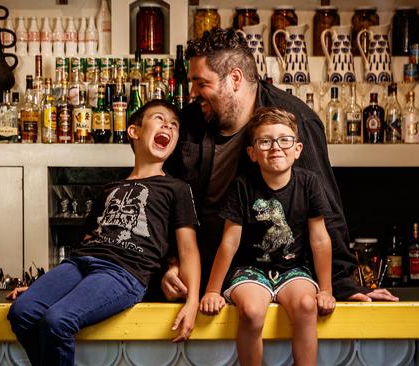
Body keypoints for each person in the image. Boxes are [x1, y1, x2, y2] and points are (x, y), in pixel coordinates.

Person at [162, 27, 397, 302]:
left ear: (235, 78)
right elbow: (167, 202)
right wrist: (170, 265)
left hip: (266, 280)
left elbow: (324, 210)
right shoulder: (188, 123)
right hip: (199, 284)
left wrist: (340, 283)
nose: (193, 92)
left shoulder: (296, 121)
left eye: (201, 83)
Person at [6, 100, 201, 366]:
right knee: (23, 311)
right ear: (134, 132)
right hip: (80, 263)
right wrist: (43, 288)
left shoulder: (176, 188)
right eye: (159, 118)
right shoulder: (110, 188)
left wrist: (192, 302)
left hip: (124, 272)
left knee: (58, 321)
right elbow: (87, 241)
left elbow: (188, 248)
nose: (168, 125)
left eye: (174, 125)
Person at [199, 107, 336, 366]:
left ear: (297, 149)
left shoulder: (309, 183)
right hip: (250, 270)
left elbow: (320, 239)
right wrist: (212, 290)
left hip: (293, 268)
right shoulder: (243, 186)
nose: (276, 147)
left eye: (284, 139)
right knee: (250, 312)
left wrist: (326, 290)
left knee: (307, 306)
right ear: (252, 153)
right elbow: (230, 241)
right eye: (265, 141)